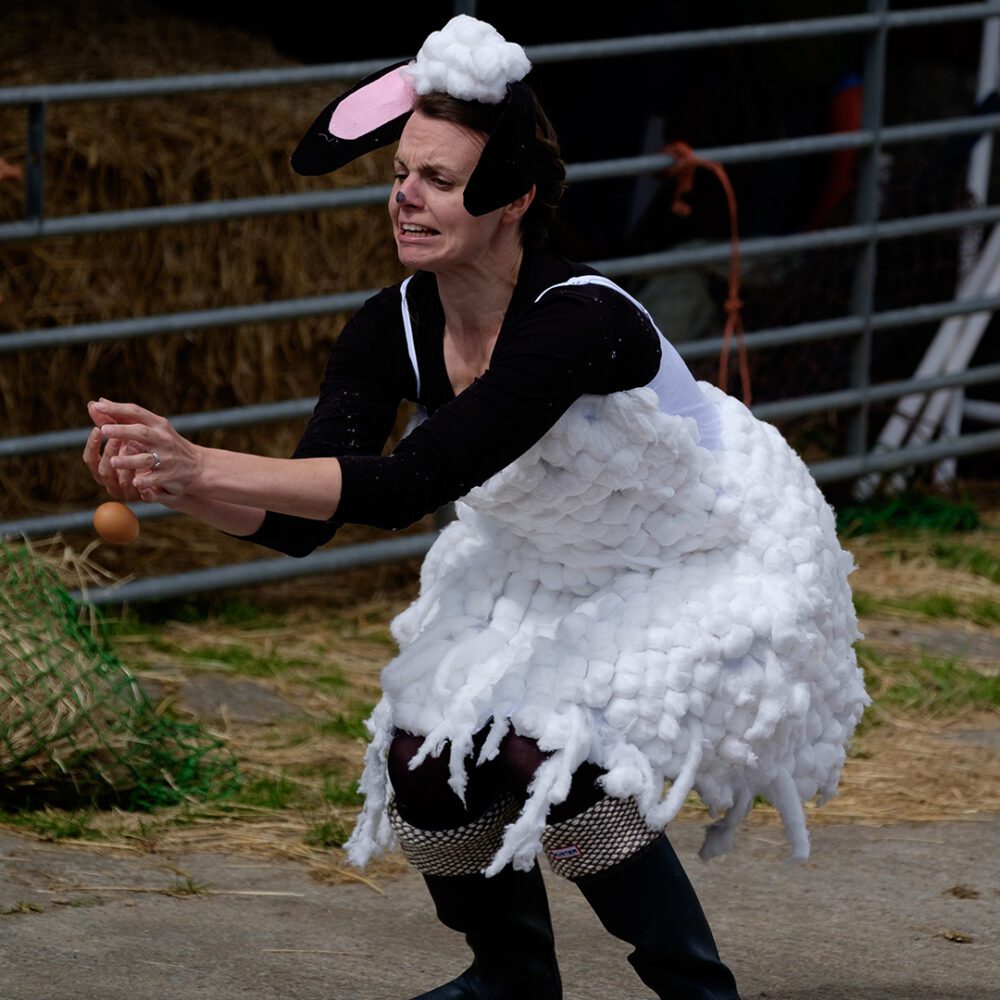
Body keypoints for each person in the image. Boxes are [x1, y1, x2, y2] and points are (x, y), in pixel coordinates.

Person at [85, 16, 868, 1000]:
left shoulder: (576, 320)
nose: (406, 196)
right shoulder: (392, 327)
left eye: (442, 181)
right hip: (546, 550)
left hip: (702, 549)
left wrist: (203, 460)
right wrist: (185, 484)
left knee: (550, 747)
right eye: (403, 171)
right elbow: (302, 516)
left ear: (514, 201)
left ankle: (695, 989)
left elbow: (414, 481)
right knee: (427, 748)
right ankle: (509, 979)